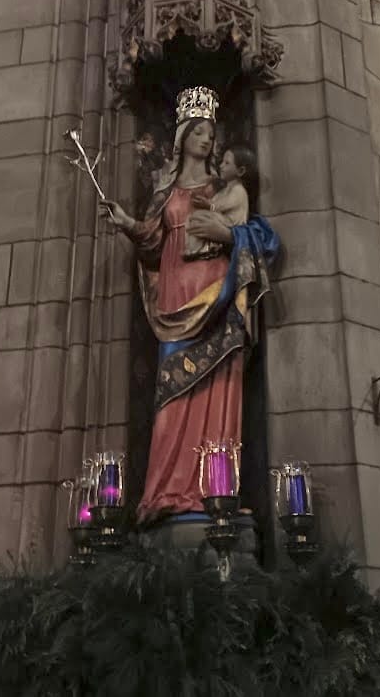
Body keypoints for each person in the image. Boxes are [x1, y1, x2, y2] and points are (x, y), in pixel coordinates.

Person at [102, 87, 279, 522]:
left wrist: (229, 236)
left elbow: (264, 238)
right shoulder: (165, 189)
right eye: (199, 131)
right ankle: (165, 491)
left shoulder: (225, 188)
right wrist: (128, 224)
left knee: (218, 392)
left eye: (211, 133)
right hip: (175, 299)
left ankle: (216, 491)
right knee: (171, 394)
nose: (207, 139)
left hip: (218, 295)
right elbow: (153, 240)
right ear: (182, 136)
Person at [183, 145, 256, 261]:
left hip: (231, 223)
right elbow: (216, 201)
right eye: (222, 162)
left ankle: (204, 248)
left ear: (240, 171)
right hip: (223, 219)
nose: (221, 166)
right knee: (194, 217)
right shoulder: (226, 189)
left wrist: (209, 205)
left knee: (199, 216)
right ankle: (196, 248)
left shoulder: (238, 190)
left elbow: (224, 205)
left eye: (227, 163)